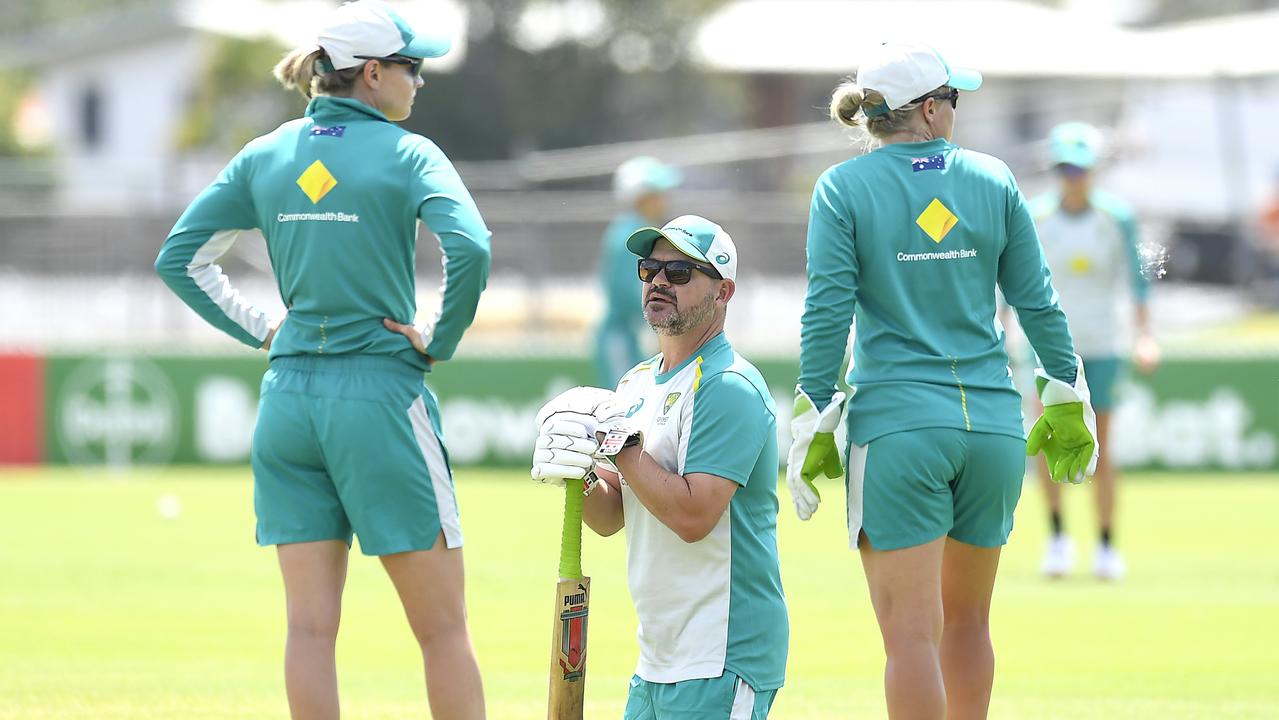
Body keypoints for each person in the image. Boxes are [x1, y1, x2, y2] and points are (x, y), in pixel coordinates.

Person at [153, 2, 489, 717]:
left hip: (287, 405)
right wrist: (441, 336)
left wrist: (263, 329)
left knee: (308, 628)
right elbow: (471, 248)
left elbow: (179, 259)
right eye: (412, 67)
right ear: (372, 74)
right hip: (380, 401)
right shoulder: (410, 153)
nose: (418, 82)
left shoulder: (266, 152)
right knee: (442, 630)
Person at [788, 44, 1098, 720]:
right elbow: (1037, 303)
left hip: (899, 430)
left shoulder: (843, 188)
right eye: (953, 100)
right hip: (990, 431)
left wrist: (813, 407)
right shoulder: (993, 178)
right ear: (929, 109)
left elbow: (827, 308)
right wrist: (1068, 394)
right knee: (967, 625)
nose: (956, 111)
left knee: (909, 637)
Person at [532, 215, 788, 719]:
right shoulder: (634, 385)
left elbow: (694, 517)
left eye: (680, 272)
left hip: (722, 654)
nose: (658, 282)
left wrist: (621, 446)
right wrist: (577, 470)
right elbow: (611, 517)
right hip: (657, 658)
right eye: (649, 269)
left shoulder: (729, 385)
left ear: (724, 291)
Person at [1031, 122, 1156, 581]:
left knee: (1101, 446)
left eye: (1080, 169)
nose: (1073, 178)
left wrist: (1145, 335)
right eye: (1065, 169)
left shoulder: (1117, 218)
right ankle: (1057, 537)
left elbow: (1140, 279)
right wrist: (1003, 332)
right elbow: (1013, 283)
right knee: (1048, 445)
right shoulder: (1036, 216)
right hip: (1047, 350)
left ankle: (1105, 544)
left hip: (1102, 345)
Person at [594, 156, 682, 386]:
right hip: (621, 337)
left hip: (630, 335)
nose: (665, 200)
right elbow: (628, 292)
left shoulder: (636, 230)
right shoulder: (629, 235)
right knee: (623, 409)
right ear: (640, 196)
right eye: (657, 193)